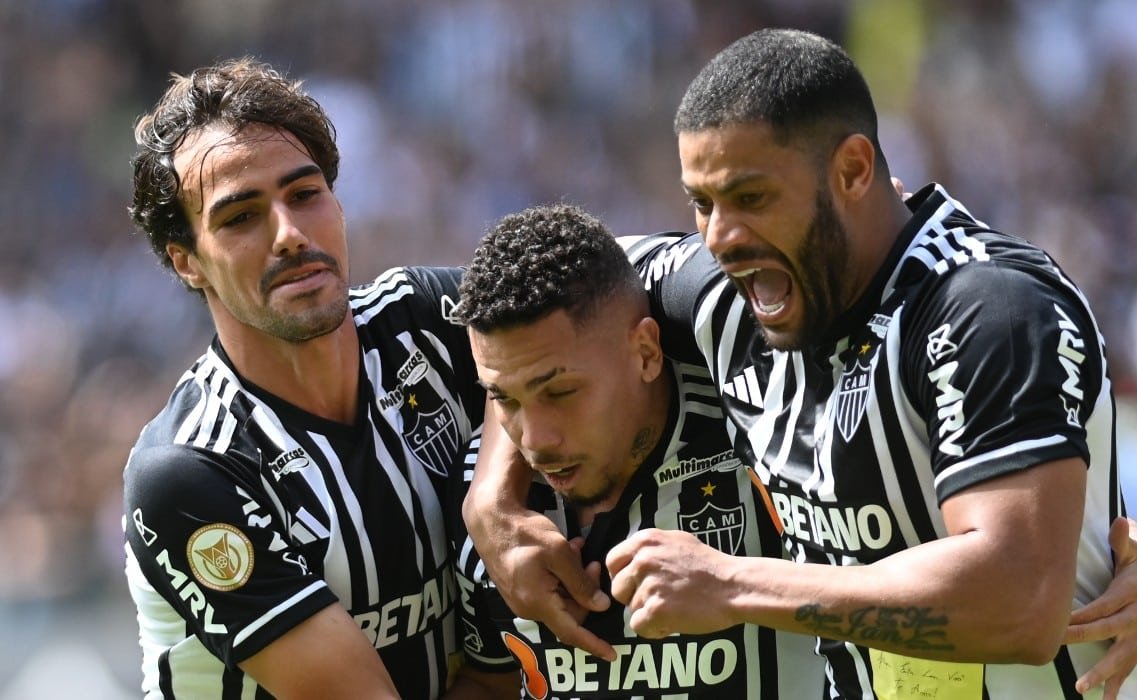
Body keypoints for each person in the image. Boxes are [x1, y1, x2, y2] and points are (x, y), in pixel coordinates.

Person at [462, 28, 1137, 698]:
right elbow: (551, 308)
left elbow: (1019, 600)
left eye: (750, 197)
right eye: (701, 203)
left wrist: (731, 584)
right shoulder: (730, 292)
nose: (720, 237)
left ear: (851, 170)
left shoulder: (986, 309)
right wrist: (491, 499)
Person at [121, 57, 505, 698]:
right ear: (187, 262)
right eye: (241, 217)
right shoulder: (191, 471)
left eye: (305, 194)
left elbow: (594, 301)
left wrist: (499, 488)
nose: (292, 235)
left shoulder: (429, 323)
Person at [446, 202, 824, 698]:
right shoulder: (483, 498)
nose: (535, 440)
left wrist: (736, 588)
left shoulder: (753, 436)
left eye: (560, 392)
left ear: (646, 353)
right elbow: (489, 682)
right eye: (504, 398)